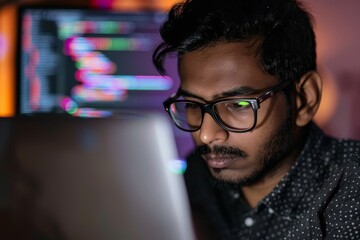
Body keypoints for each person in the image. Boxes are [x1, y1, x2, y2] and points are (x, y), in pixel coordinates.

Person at [152, 0, 360, 239]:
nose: (206, 135)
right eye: (192, 104)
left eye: (238, 104)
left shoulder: (351, 198)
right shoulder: (200, 175)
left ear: (305, 99)